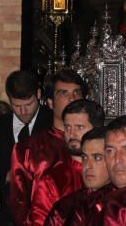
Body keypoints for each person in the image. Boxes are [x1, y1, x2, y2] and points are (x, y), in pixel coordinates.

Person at [9, 68, 87, 226]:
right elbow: (20, 206)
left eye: (77, 92)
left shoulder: (97, 145)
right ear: (50, 102)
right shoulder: (28, 148)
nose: (72, 98)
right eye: (63, 93)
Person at [0, 70, 52, 225]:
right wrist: (4, 177)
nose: (23, 111)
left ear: (38, 94)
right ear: (9, 100)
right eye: (16, 105)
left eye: (28, 104)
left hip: (42, 214)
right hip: (3, 215)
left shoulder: (52, 122)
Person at [28, 99, 104, 225]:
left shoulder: (112, 171)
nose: (71, 134)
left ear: (96, 129)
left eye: (79, 127)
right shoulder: (52, 179)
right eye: (67, 127)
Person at [44, 126, 112, 226]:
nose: (88, 165)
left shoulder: (123, 205)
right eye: (84, 157)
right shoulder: (65, 207)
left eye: (97, 158)